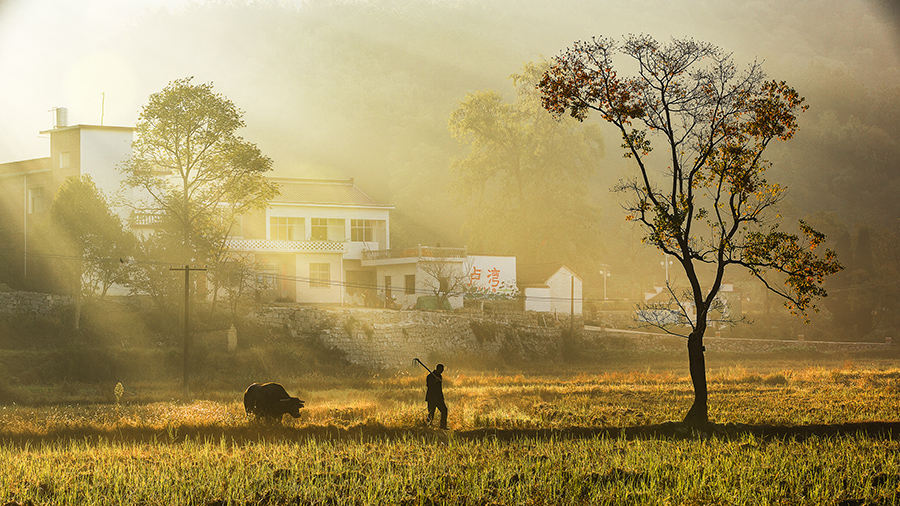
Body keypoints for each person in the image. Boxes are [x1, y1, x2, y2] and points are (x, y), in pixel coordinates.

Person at [425, 363, 448, 429]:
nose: (442, 371)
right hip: (431, 398)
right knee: (431, 413)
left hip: (439, 398)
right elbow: (429, 386)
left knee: (444, 410)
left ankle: (443, 426)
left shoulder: (440, 376)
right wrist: (435, 381)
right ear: (438, 369)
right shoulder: (430, 376)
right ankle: (428, 427)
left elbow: (439, 388)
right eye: (441, 370)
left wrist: (442, 397)